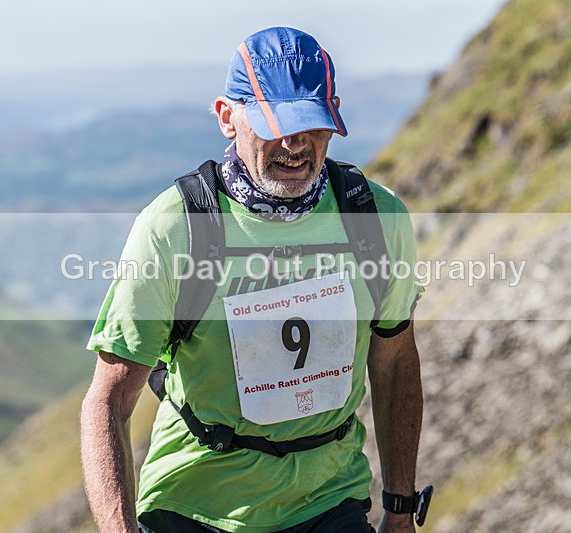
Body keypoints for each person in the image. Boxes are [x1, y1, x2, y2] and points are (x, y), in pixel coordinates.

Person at [80, 26, 424, 533]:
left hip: (329, 502)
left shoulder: (376, 218)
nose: (295, 143)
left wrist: (400, 511)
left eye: (311, 124)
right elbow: (108, 400)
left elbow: (394, 362)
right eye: (274, 124)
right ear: (227, 117)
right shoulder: (175, 228)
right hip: (193, 507)